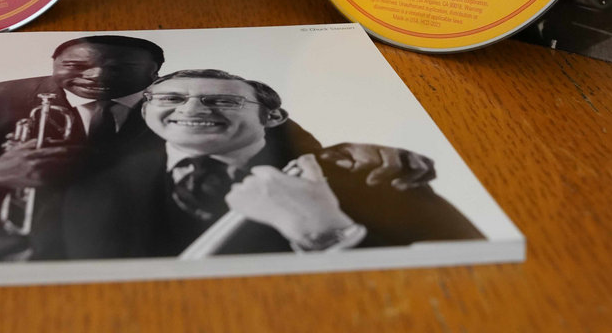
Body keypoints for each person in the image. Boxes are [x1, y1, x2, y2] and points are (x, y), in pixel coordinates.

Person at [0, 37, 444, 262]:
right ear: (53, 65)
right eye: (76, 66)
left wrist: (356, 151)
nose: (96, 77)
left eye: (122, 71)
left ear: (151, 76)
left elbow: (294, 147)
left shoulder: (174, 103)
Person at [58, 69, 483, 259]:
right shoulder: (90, 192)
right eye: (171, 98)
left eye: (223, 100)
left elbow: (468, 267)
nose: (191, 109)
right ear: (147, 111)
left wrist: (325, 233)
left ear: (274, 116)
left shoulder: (365, 173)